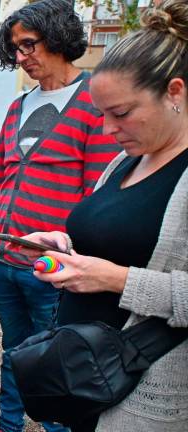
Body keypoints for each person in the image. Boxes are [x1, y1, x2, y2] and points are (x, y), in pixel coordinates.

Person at [22, 1, 188, 430]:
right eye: (102, 115)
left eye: (121, 113)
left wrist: (113, 279)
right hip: (90, 378)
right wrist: (66, 248)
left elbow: (122, 267)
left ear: (175, 92)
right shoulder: (127, 162)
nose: (109, 130)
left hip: (145, 395)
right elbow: (117, 239)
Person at [0, 1, 120, 431]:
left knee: (57, 361)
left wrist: (69, 261)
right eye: (15, 48)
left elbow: (99, 195)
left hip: (52, 271)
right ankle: (8, 423)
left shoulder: (93, 101)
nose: (21, 57)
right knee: (13, 352)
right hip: (3, 263)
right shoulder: (17, 107)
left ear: (57, 38)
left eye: (28, 45)